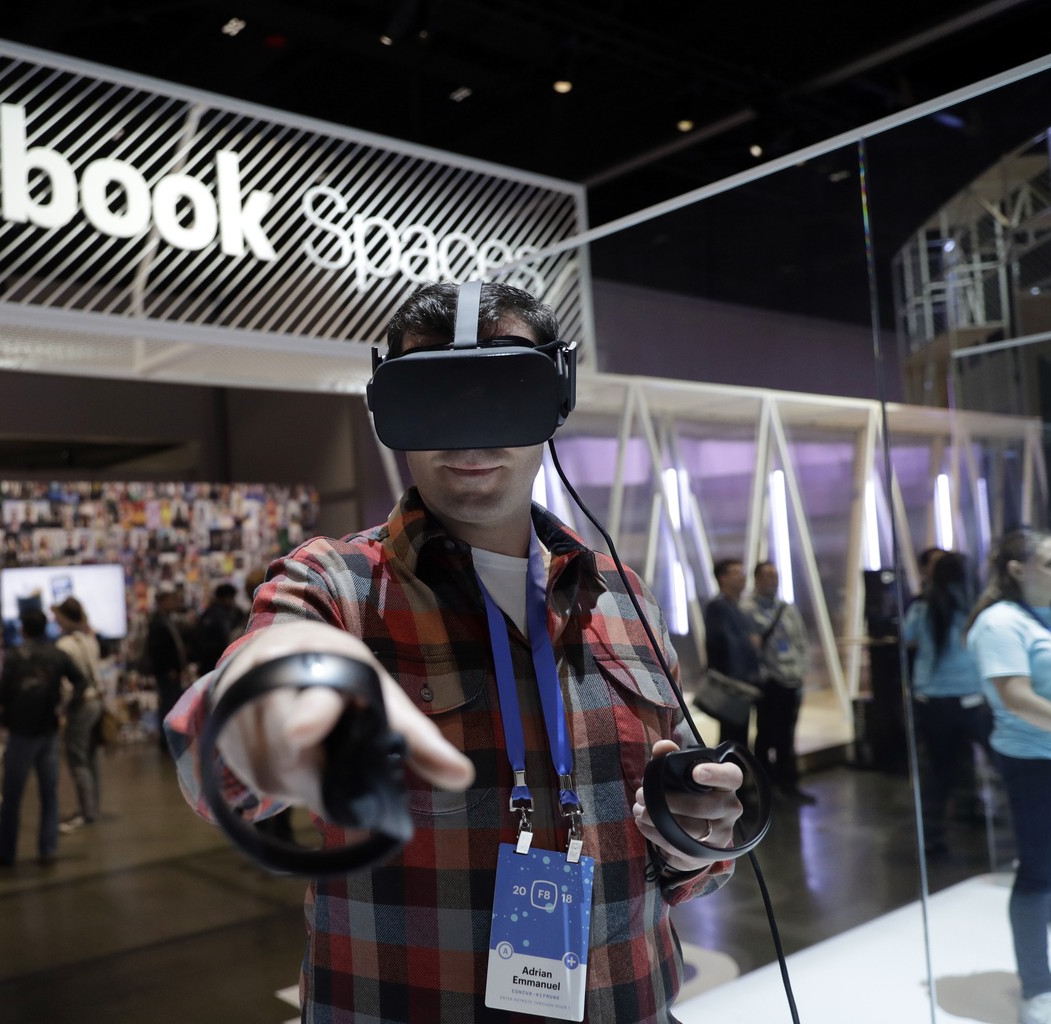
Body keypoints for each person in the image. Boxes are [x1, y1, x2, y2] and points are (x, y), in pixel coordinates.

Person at [166, 281, 741, 1023]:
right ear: (390, 409)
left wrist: (697, 840)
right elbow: (219, 763)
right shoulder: (333, 587)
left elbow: (682, 848)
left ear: (556, 398)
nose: (468, 436)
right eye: (435, 397)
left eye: (501, 391)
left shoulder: (622, 596)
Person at [966, 528, 1051, 1024]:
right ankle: (1037, 988)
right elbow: (1018, 698)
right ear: (1017, 569)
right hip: (1035, 761)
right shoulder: (1000, 622)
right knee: (1042, 873)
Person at [0, 610, 86, 868]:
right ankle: (48, 850)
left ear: (23, 629)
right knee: (50, 794)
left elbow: (2, 695)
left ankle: (5, 853)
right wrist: (64, 709)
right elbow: (81, 681)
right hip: (48, 730)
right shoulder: (57, 655)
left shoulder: (15, 657)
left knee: (12, 796)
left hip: (21, 733)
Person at [904, 551, 991, 855]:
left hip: (934, 700)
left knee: (938, 773)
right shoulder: (974, 606)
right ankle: (973, 813)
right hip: (971, 697)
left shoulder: (925, 606)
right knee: (989, 764)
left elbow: (906, 636)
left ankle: (933, 837)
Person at [743, 561, 815, 804]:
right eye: (767, 576)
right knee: (765, 736)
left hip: (791, 680)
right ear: (756, 579)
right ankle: (766, 788)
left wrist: (801, 671)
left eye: (775, 576)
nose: (773, 580)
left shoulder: (787, 608)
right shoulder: (747, 609)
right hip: (769, 683)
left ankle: (789, 784)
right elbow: (750, 650)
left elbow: (801, 641)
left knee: (787, 736)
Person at [53, 597, 104, 833]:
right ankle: (92, 808)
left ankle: (86, 812)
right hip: (97, 702)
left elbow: (65, 684)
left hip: (80, 705)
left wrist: (61, 708)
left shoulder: (64, 646)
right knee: (90, 758)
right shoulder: (89, 640)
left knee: (77, 759)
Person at [704, 557, 761, 747]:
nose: (743, 578)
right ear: (722, 578)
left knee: (738, 736)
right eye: (737, 573)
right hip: (734, 684)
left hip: (740, 683)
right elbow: (726, 644)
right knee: (733, 737)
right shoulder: (719, 607)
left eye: (743, 573)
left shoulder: (735, 606)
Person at [147, 589, 189, 754]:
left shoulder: (166, 620)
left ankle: (171, 739)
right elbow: (157, 650)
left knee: (171, 703)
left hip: (172, 672)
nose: (174, 604)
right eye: (171, 600)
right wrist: (168, 668)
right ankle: (167, 740)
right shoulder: (157, 622)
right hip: (166, 673)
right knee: (168, 705)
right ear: (162, 602)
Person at [192, 583, 243, 671]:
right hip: (215, 661)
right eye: (231, 598)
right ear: (224, 598)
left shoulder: (209, 613)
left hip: (213, 660)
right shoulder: (218, 615)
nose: (232, 601)